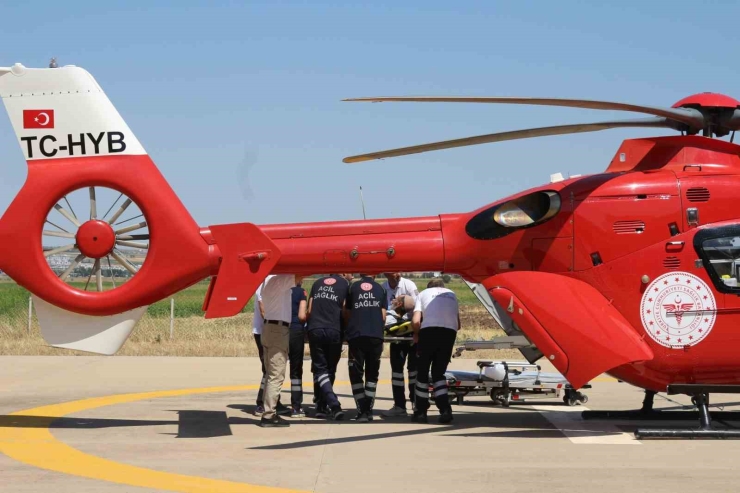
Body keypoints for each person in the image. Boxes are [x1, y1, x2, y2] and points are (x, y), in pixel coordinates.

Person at [411, 278, 460, 424]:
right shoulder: (452, 294)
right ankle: (445, 410)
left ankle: (420, 412)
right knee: (439, 373)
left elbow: (415, 321)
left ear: (428, 287)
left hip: (429, 332)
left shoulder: (423, 293)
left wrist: (416, 333)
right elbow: (458, 325)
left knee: (422, 373)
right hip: (449, 333)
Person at [344, 273, 387, 422]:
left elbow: (347, 312)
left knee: (356, 373)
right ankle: (368, 410)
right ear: (374, 274)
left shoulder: (353, 287)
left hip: (356, 335)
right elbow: (383, 316)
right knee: (372, 374)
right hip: (375, 335)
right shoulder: (381, 289)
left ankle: (361, 409)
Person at [307, 273, 350, 420]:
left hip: (315, 329)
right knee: (329, 369)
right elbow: (345, 309)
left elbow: (309, 309)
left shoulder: (317, 282)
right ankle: (333, 404)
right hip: (334, 329)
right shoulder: (345, 285)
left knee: (320, 370)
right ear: (343, 273)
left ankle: (320, 405)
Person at [258, 274, 298, 427]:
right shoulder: (280, 280)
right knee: (276, 374)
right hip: (278, 330)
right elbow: (300, 276)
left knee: (270, 374)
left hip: (268, 328)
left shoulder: (267, 281)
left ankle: (268, 410)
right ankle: (269, 415)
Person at [382, 272, 420, 417]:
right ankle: (399, 405)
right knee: (397, 371)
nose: (397, 274)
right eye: (393, 271)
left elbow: (418, 307)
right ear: (386, 274)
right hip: (396, 334)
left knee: (414, 370)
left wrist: (417, 331)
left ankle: (416, 403)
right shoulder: (383, 288)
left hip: (411, 332)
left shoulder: (409, 285)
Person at [252, 275, 287, 417]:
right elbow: (263, 309)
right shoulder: (267, 281)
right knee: (270, 370)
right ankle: (262, 403)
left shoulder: (267, 280)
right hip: (265, 330)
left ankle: (271, 401)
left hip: (264, 330)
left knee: (269, 370)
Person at [288, 279, 308, 417]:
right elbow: (302, 315)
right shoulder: (301, 292)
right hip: (296, 331)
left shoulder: (281, 291)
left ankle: (271, 404)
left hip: (281, 330)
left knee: (276, 370)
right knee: (296, 370)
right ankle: (296, 406)